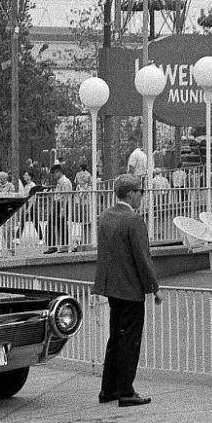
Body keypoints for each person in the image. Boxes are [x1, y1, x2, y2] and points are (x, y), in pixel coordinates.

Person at [93, 173, 160, 408]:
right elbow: (143, 258)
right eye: (140, 192)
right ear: (131, 193)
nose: (142, 196)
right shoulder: (134, 220)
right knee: (129, 341)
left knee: (115, 339)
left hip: (112, 287)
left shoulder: (106, 216)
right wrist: (154, 288)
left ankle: (108, 389)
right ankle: (126, 391)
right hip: (131, 288)